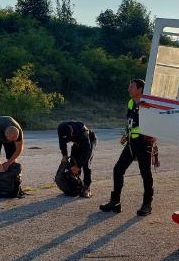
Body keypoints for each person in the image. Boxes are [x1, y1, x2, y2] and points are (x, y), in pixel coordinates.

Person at [99, 78, 155, 216]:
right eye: (129, 87)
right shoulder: (131, 102)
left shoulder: (148, 104)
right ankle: (115, 202)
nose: (129, 89)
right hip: (131, 142)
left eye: (131, 87)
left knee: (145, 173)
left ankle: (147, 204)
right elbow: (131, 121)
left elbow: (155, 122)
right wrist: (126, 134)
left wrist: (153, 137)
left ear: (140, 89)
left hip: (143, 143)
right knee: (118, 170)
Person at [57, 120, 97, 198]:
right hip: (77, 143)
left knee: (86, 164)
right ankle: (76, 185)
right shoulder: (61, 128)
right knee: (73, 162)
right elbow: (62, 143)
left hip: (89, 142)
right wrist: (64, 155)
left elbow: (86, 151)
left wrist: (78, 166)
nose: (68, 139)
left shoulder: (82, 131)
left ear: (71, 132)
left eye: (69, 137)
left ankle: (86, 187)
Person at [0, 115, 24, 197]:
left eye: (15, 139)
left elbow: (19, 149)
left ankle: (15, 187)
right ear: (6, 136)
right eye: (12, 140)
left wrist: (9, 163)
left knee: (13, 161)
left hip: (10, 133)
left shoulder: (18, 132)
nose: (14, 141)